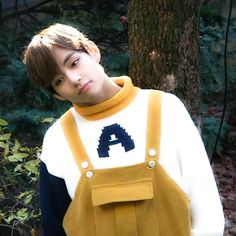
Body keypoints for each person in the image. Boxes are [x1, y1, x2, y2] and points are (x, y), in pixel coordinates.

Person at [23, 23, 225, 236]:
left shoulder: (166, 108)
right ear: (57, 94)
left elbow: (207, 212)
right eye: (59, 80)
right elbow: (54, 227)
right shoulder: (57, 139)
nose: (74, 79)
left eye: (74, 63)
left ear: (92, 51)